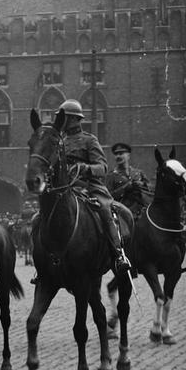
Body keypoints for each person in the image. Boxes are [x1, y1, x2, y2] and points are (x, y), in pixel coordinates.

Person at [57, 99, 131, 274]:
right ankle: (43, 264)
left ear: (75, 119)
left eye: (64, 118)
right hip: (67, 188)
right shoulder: (59, 142)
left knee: (105, 209)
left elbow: (102, 168)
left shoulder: (89, 140)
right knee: (42, 215)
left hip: (90, 187)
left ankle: (119, 254)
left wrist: (84, 168)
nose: (61, 122)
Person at [105, 142, 150, 218]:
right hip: (123, 215)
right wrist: (125, 188)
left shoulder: (138, 173)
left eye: (121, 153)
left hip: (142, 213)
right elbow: (108, 197)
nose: (118, 156)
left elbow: (150, 190)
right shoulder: (111, 176)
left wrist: (142, 184)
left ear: (128, 155)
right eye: (116, 154)